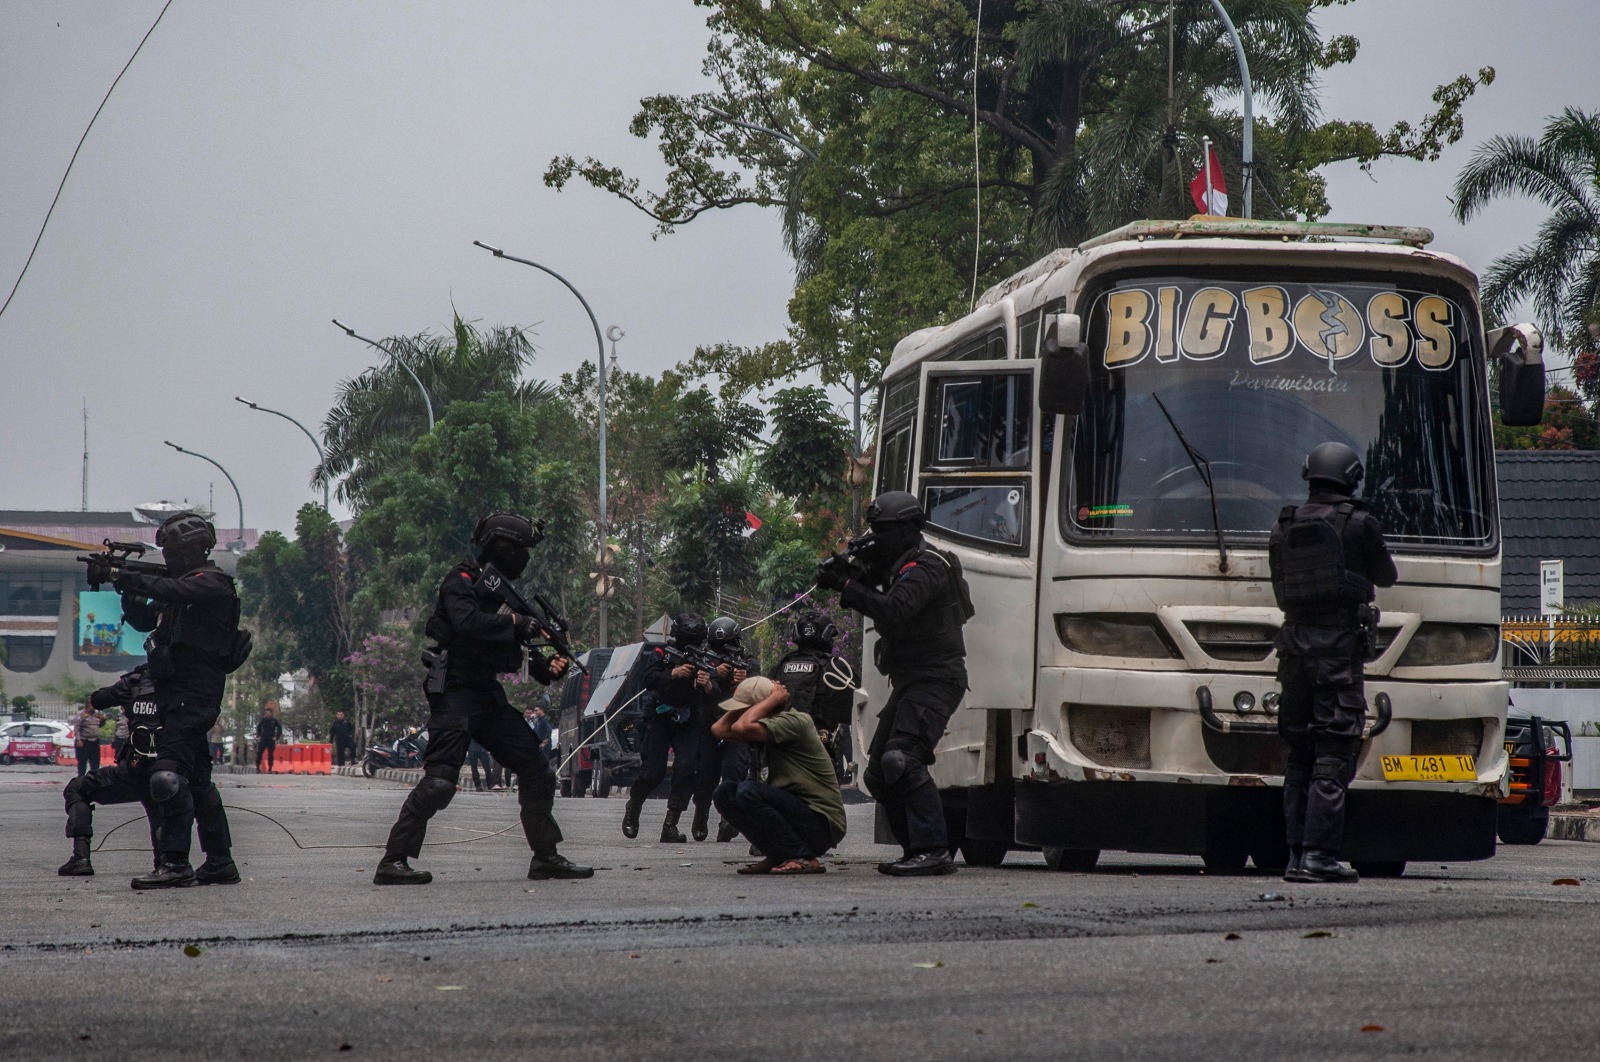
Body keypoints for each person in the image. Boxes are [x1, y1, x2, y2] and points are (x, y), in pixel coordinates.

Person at [373, 512, 591, 884]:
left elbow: (518, 654)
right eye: (520, 550)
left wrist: (545, 668)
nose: (524, 558)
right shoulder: (461, 581)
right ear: (503, 548)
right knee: (440, 781)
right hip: (455, 688)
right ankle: (393, 861)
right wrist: (516, 623)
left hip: (486, 694)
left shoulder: (503, 595)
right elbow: (467, 624)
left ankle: (546, 856)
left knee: (537, 770)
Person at [816, 491, 973, 877]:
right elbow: (879, 596)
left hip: (937, 678)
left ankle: (934, 849)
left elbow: (897, 609)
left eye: (883, 531)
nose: (877, 538)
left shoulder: (927, 567)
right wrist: (849, 577)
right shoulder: (899, 563)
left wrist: (850, 587)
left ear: (907, 529)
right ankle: (917, 849)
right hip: (912, 679)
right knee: (877, 775)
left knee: (901, 759)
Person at [1269, 442, 1398, 885]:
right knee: (1335, 753)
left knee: (1299, 755)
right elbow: (1387, 576)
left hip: (1294, 652)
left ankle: (1294, 856)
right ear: (1352, 476)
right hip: (1338, 654)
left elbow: (1281, 588)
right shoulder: (1360, 524)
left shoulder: (1282, 525)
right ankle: (1319, 856)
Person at [104, 510, 244, 889]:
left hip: (193, 695)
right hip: (175, 692)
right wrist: (129, 594)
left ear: (193, 549)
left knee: (167, 777)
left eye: (173, 551)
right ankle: (219, 861)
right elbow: (145, 621)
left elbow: (174, 590)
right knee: (197, 781)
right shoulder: (181, 589)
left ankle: (175, 864)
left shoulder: (211, 584)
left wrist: (124, 574)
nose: (167, 559)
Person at [57, 663, 237, 884]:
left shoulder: (134, 683)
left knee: (78, 788)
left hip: (139, 773)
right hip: (173, 774)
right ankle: (195, 862)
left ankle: (81, 858)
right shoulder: (192, 685)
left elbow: (98, 699)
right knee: (189, 789)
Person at [711, 677, 847, 875]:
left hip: (820, 824)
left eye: (744, 709)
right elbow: (719, 730)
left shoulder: (795, 722)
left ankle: (803, 857)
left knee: (747, 791)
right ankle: (778, 854)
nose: (741, 714)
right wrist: (746, 704)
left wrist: (771, 700)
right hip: (794, 817)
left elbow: (740, 727)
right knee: (724, 793)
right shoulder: (762, 728)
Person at [621, 613, 714, 843]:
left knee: (686, 768)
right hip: (660, 716)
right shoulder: (662, 653)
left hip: (689, 719)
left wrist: (708, 682)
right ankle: (634, 806)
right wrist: (673, 672)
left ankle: (670, 824)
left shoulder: (705, 657)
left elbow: (715, 689)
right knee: (653, 772)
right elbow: (647, 679)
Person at [682, 616, 757, 842]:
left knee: (734, 771)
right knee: (705, 775)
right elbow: (693, 690)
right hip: (710, 725)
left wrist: (745, 679)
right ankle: (700, 815)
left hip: (736, 726)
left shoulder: (748, 662)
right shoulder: (704, 661)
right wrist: (711, 679)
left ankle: (729, 820)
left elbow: (760, 688)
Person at [73, 703, 106, 776]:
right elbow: (76, 728)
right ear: (88, 705)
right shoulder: (81, 714)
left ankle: (94, 780)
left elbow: (100, 725)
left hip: (94, 741)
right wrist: (78, 740)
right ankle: (81, 779)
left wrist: (103, 720)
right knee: (82, 763)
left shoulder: (97, 714)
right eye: (92, 705)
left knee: (95, 763)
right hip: (84, 741)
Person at [255, 706, 282, 772]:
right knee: (259, 753)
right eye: (265, 713)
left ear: (270, 713)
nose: (266, 714)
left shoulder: (274, 720)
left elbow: (279, 729)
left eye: (267, 713)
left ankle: (270, 768)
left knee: (270, 754)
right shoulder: (263, 720)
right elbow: (258, 727)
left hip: (271, 739)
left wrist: (276, 737)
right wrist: (258, 736)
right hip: (263, 738)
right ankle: (258, 767)